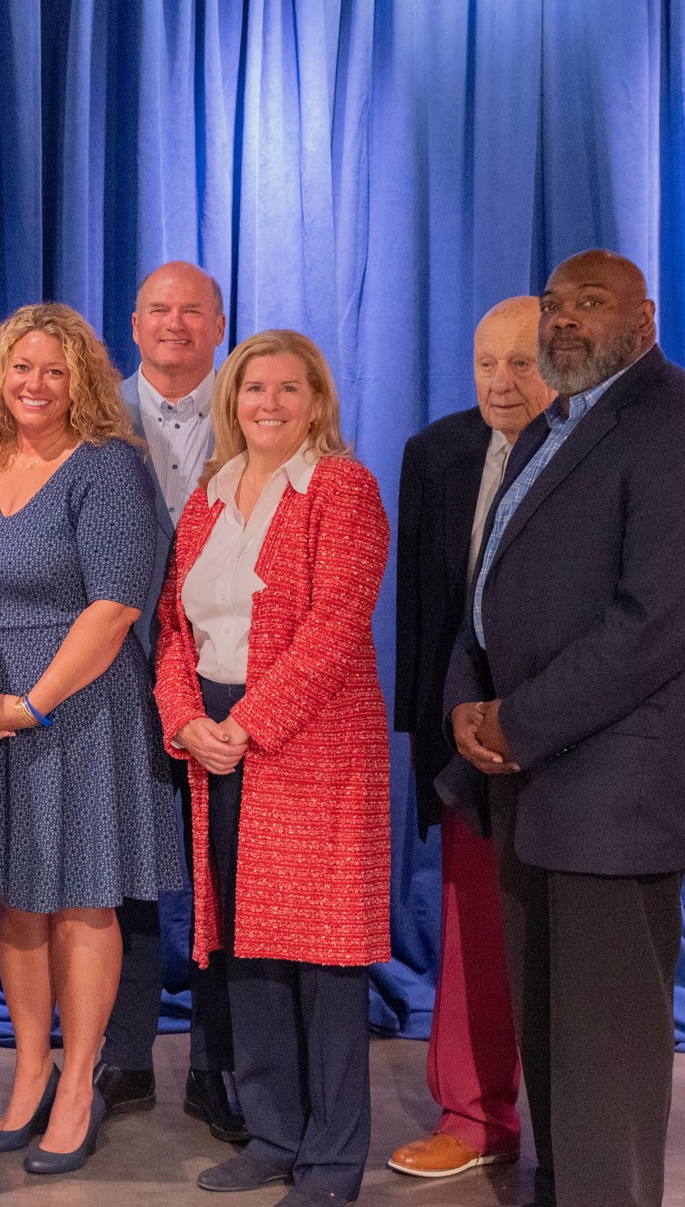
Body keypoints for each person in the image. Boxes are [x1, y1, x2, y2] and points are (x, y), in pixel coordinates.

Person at [0, 303, 186, 1176]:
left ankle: (78, 1085)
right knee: (17, 900)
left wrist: (32, 705)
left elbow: (115, 607)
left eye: (55, 371)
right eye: (21, 367)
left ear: (82, 383)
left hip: (79, 713)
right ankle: (30, 1072)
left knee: (82, 902)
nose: (35, 384)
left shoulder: (108, 469)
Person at [443, 250, 685, 1207]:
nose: (566, 320)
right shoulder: (552, 424)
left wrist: (519, 720)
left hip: (612, 787)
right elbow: (492, 581)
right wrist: (467, 699)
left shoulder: (669, 422)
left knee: (606, 1046)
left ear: (645, 318)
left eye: (591, 302)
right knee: (549, 1030)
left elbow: (654, 620)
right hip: (530, 777)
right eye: (554, 305)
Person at [153, 330, 390, 1206]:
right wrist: (186, 718)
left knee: (323, 959)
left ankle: (331, 1162)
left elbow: (336, 629)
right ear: (234, 399)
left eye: (291, 388)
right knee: (245, 945)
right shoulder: (207, 499)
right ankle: (274, 1132)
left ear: (317, 401)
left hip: (312, 745)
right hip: (216, 737)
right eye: (256, 388)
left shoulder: (343, 488)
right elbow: (175, 631)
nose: (271, 404)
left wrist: (246, 724)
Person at [385, 298, 548, 1180]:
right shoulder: (435, 452)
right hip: (464, 742)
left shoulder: (593, 450)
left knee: (568, 943)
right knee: (472, 931)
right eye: (487, 361)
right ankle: (477, 1113)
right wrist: (432, 743)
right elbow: (422, 615)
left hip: (572, 740)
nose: (500, 381)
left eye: (522, 362)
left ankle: (573, 1123)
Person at [102, 260, 245, 1143]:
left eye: (193, 310)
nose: (175, 323)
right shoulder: (90, 412)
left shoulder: (257, 409)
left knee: (225, 875)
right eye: (159, 308)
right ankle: (123, 1058)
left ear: (220, 325)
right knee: (124, 874)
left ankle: (215, 1065)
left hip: (226, 681)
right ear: (134, 323)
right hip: (113, 677)